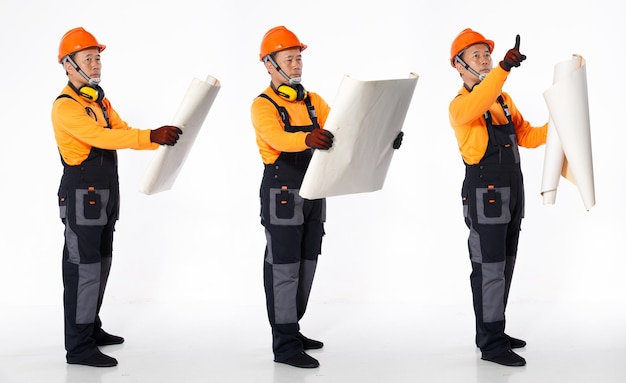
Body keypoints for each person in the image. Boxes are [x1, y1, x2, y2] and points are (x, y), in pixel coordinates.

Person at [51, 26, 182, 367]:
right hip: (81, 195)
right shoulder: (66, 107)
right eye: (88, 58)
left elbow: (120, 130)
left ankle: (90, 328)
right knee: (84, 268)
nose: (96, 65)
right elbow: (102, 137)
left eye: (97, 58)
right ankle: (78, 347)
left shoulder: (100, 101)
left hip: (105, 195)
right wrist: (150, 135)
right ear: (68, 64)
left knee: (102, 263)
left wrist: (158, 137)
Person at [448, 28, 547, 367]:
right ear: (458, 66)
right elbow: (481, 99)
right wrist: (504, 69)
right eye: (476, 55)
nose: (485, 59)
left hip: (512, 191)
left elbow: (528, 136)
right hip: (485, 193)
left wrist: (561, 122)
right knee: (488, 268)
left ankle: (495, 329)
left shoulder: (503, 99)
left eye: (486, 53)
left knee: (504, 264)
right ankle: (490, 342)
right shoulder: (461, 105)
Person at [250, 25, 335, 369]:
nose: (297, 64)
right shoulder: (262, 105)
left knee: (307, 260)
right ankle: (284, 344)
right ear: (270, 65)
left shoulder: (314, 101)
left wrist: (381, 137)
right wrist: (307, 140)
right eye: (289, 58)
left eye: (299, 57)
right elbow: (277, 138)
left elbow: (341, 126)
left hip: (314, 189)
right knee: (284, 265)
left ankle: (292, 327)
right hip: (281, 193)